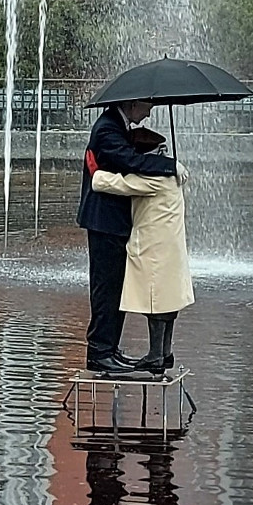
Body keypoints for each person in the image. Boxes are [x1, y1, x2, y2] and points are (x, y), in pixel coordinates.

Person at [77, 99, 178, 376]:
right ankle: (99, 352)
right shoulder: (107, 129)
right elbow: (129, 161)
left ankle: (110, 348)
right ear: (132, 103)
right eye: (147, 106)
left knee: (116, 288)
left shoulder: (116, 127)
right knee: (106, 289)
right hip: (104, 222)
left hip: (114, 222)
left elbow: (126, 159)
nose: (148, 113)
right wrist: (168, 165)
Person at [90, 128, 192, 372]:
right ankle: (165, 352)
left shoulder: (154, 178)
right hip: (170, 246)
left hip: (153, 247)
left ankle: (155, 355)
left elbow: (118, 183)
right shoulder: (170, 175)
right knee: (168, 302)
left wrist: (95, 172)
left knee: (155, 302)